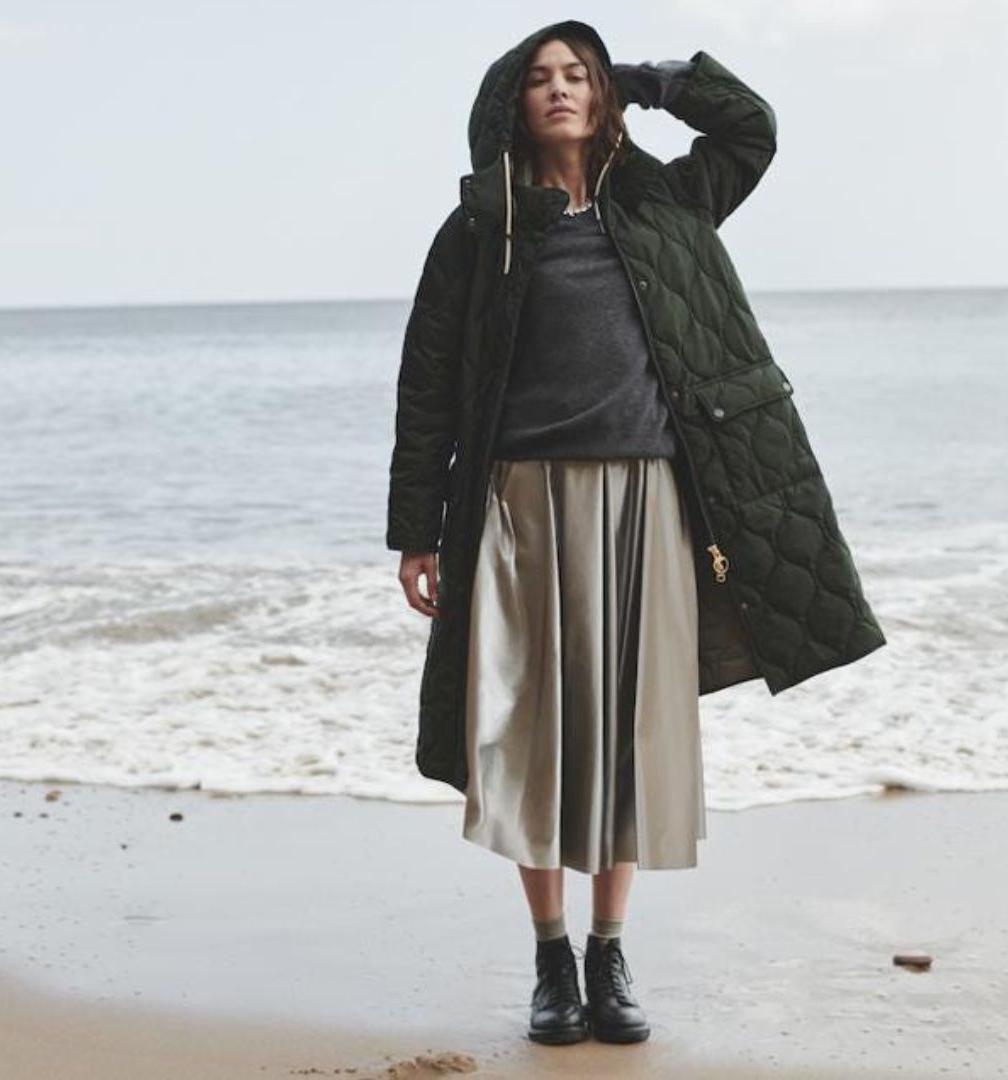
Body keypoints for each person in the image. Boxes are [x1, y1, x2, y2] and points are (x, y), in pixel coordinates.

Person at [386, 20, 886, 1047]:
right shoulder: (480, 228)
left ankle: (610, 954)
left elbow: (752, 130)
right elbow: (428, 385)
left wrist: (656, 80)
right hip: (518, 499)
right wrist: (416, 529)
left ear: (602, 90)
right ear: (512, 100)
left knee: (626, 730)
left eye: (579, 74)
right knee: (525, 731)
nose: (561, 90)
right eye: (541, 78)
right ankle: (549, 956)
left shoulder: (669, 199)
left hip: (652, 494)